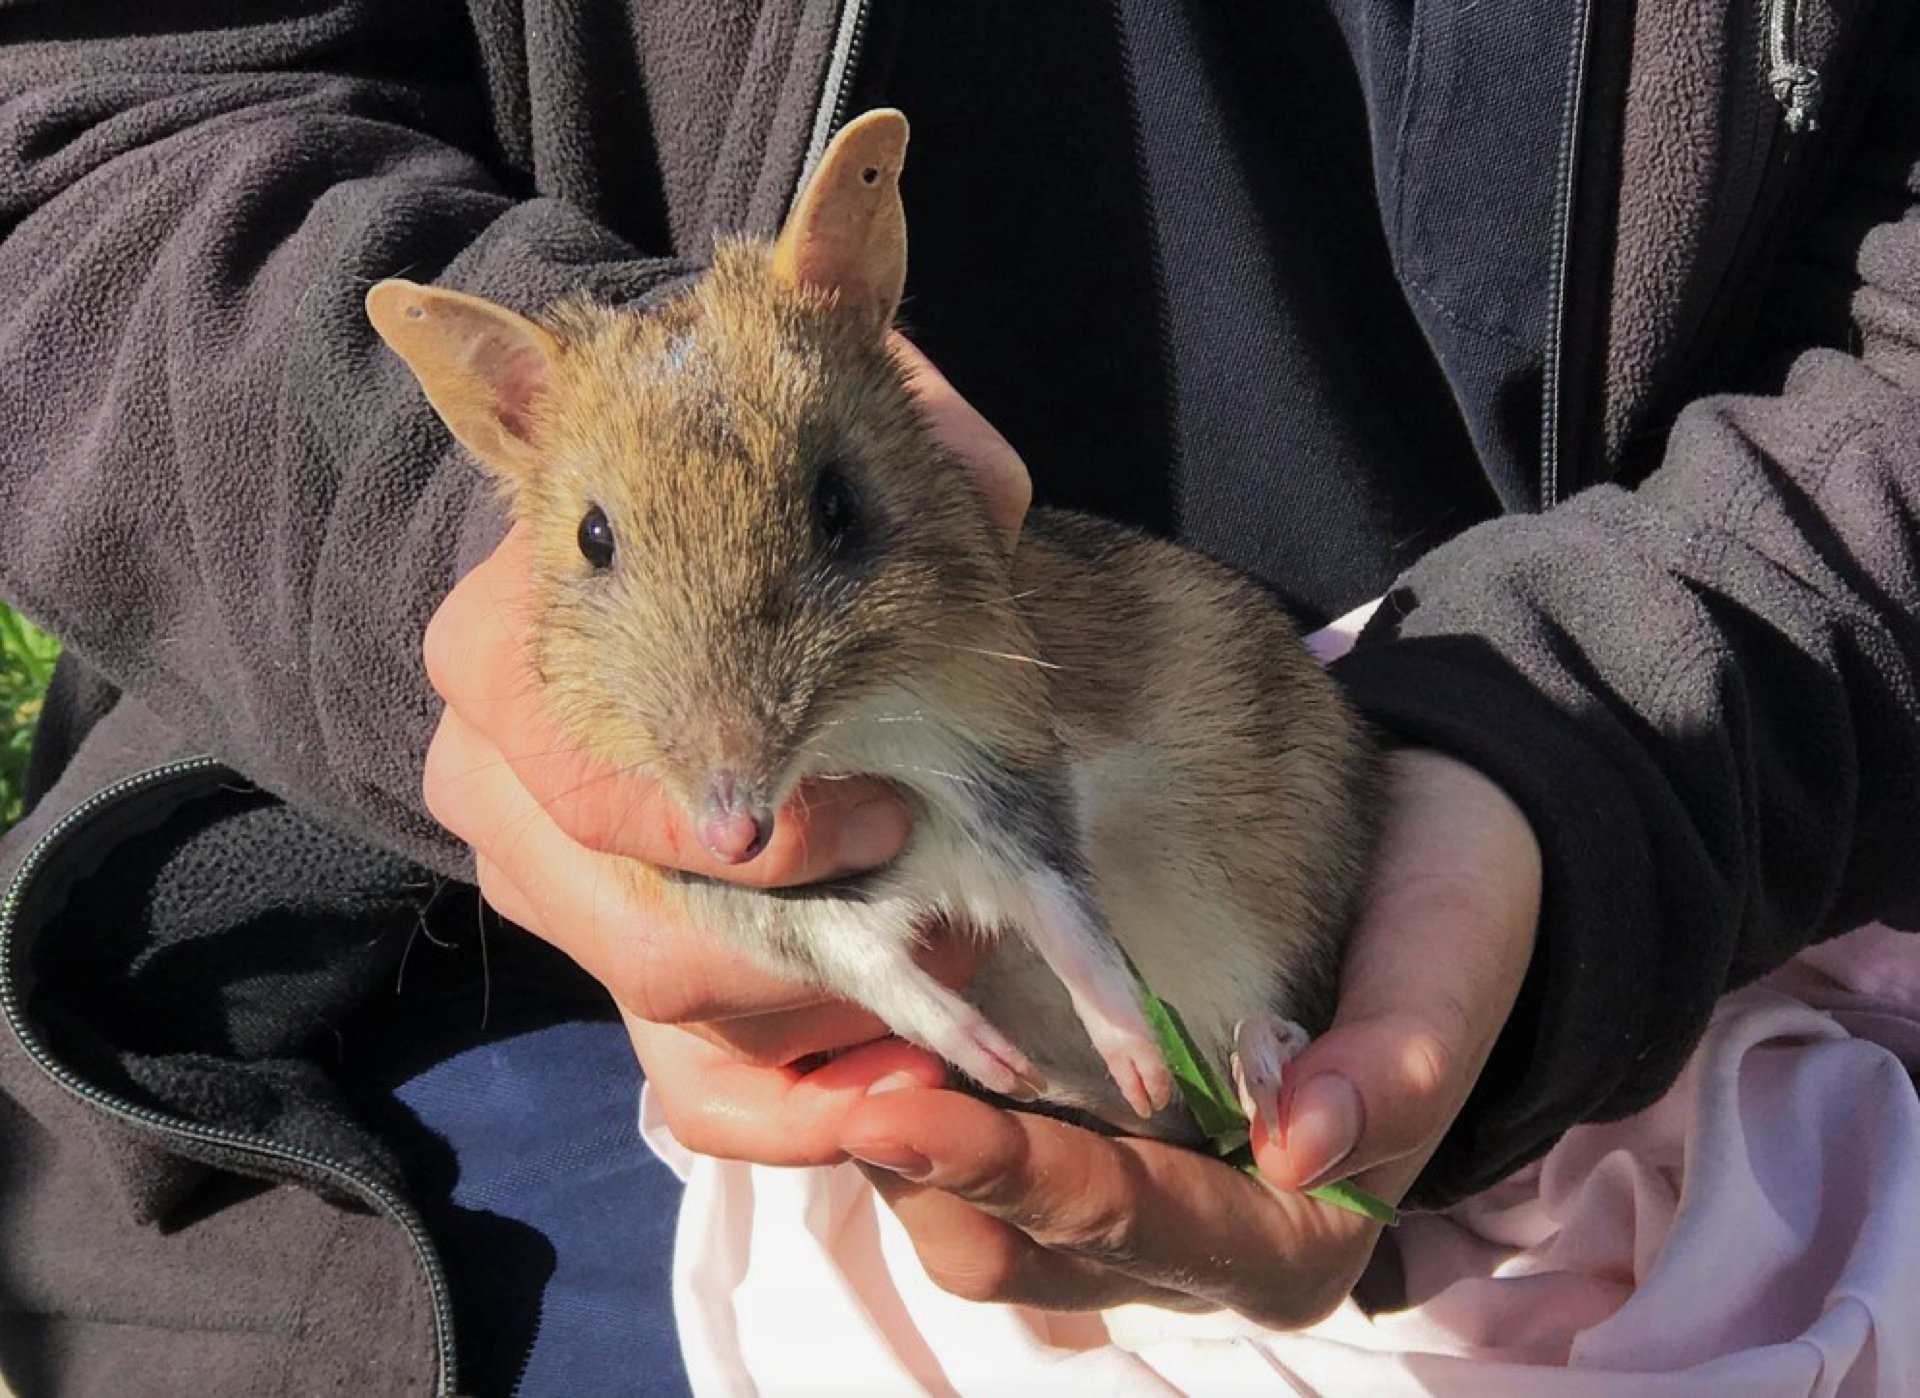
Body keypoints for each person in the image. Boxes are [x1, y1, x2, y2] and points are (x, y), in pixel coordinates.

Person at [0, 3, 1915, 1394]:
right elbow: (84, 127)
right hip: (460, 957)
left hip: (1664, 817)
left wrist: (1608, 745)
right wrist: (410, 553)